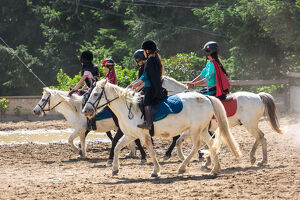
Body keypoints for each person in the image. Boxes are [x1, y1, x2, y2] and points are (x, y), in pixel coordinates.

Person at [131, 40, 167, 130]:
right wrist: (137, 84)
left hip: (151, 88)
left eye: (144, 50)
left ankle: (148, 123)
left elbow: (146, 76)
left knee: (146, 102)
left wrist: (137, 84)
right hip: (151, 87)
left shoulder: (150, 61)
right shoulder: (154, 60)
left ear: (147, 51)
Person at [68, 50, 99, 130]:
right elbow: (90, 82)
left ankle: (92, 122)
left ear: (84, 60)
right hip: (96, 88)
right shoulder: (95, 67)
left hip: (93, 90)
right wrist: (81, 90)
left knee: (85, 101)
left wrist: (73, 90)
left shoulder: (86, 70)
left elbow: (80, 83)